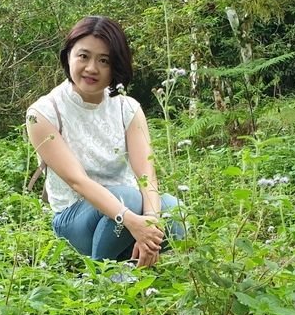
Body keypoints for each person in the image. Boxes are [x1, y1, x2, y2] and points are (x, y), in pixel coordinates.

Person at [26, 15, 182, 268]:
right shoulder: (43, 113)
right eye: (83, 56)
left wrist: (151, 221)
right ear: (68, 56)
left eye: (104, 60)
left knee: (175, 210)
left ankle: (139, 263)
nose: (91, 68)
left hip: (127, 210)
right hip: (76, 217)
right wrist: (132, 219)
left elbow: (146, 175)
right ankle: (104, 275)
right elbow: (79, 182)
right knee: (127, 199)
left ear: (116, 66)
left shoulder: (127, 108)